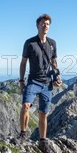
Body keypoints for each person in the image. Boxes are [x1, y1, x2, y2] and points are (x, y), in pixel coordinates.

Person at [19, 14, 62, 143]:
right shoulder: (30, 43)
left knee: (43, 113)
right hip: (33, 81)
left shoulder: (52, 43)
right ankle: (22, 134)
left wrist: (58, 77)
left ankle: (43, 141)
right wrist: (21, 81)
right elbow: (23, 63)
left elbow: (54, 63)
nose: (45, 26)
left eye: (48, 24)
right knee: (26, 105)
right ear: (37, 25)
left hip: (47, 83)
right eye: (43, 23)